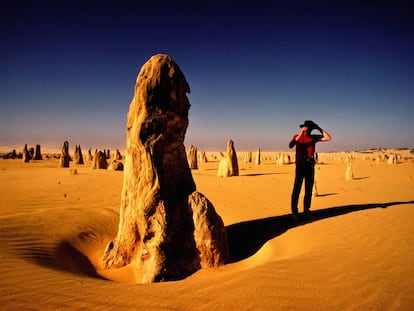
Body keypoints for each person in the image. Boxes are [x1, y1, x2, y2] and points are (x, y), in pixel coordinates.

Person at [289, 120, 331, 220]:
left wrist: (319, 128)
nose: (307, 129)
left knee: (309, 189)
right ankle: (294, 212)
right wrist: (300, 132)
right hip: (300, 166)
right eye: (305, 127)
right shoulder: (297, 136)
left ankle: (306, 210)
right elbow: (291, 145)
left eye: (308, 127)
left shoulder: (313, 137)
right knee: (297, 189)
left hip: (310, 166)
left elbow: (328, 138)